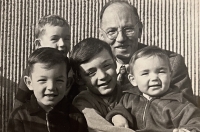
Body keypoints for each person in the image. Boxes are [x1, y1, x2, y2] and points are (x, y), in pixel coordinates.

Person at [99, 1, 196, 105]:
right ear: (101, 35)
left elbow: (186, 112)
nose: (121, 38)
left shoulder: (169, 63)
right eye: (112, 32)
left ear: (140, 30)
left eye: (128, 29)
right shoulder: (92, 69)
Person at [106, 46, 200, 132]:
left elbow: (195, 121)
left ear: (170, 75)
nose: (154, 78)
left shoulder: (178, 103)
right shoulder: (129, 98)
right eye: (145, 73)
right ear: (133, 80)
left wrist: (186, 130)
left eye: (161, 71)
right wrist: (117, 116)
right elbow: (118, 109)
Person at [8, 47, 88, 132]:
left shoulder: (76, 117)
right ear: (29, 83)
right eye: (42, 80)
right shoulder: (20, 117)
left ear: (67, 83)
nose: (51, 87)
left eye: (59, 80)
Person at [70, 38, 135, 132]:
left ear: (115, 63)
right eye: (91, 73)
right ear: (79, 79)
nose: (102, 76)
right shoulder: (83, 102)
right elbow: (101, 129)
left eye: (106, 65)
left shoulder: (130, 92)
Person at [14, 14, 72, 108]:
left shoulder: (72, 68)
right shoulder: (32, 70)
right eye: (54, 39)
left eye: (67, 39)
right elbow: (19, 104)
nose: (62, 44)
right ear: (38, 44)